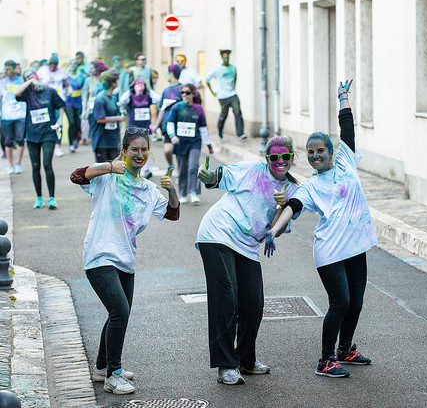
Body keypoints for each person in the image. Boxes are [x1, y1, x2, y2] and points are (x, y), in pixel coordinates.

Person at [264, 80, 377, 378]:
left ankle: (345, 350)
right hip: (329, 251)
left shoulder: (346, 162)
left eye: (319, 151)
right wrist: (274, 230)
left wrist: (343, 97)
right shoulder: (311, 186)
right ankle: (325, 360)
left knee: (357, 301)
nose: (315, 157)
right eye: (310, 153)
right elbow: (293, 207)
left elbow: (347, 129)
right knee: (340, 302)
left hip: (355, 246)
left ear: (330, 151)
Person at [69, 127, 180, 395]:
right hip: (99, 255)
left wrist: (173, 191)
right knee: (120, 311)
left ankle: (101, 366)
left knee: (118, 313)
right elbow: (75, 175)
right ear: (125, 151)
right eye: (134, 150)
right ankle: (113, 374)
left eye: (144, 150)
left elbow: (173, 214)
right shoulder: (107, 178)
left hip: (125, 259)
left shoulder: (149, 189)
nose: (139, 155)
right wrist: (108, 167)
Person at [196, 136, 299, 385]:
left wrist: (279, 210)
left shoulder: (293, 189)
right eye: (274, 157)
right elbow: (216, 178)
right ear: (267, 158)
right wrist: (206, 175)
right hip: (217, 233)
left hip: (248, 244)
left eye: (285, 157)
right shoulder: (250, 170)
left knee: (254, 303)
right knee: (226, 299)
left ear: (292, 158)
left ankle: (246, 359)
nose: (280, 161)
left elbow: (277, 228)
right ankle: (226, 365)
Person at [14, 69, 65, 209]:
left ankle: (52, 198)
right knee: (35, 166)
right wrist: (30, 81)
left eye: (32, 76)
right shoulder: (27, 93)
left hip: (48, 133)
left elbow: (61, 105)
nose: (30, 79)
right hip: (32, 135)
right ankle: (39, 198)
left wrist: (60, 119)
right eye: (26, 78)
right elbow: (15, 93)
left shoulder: (50, 91)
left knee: (47, 164)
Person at [167, 83, 213, 204]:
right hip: (180, 143)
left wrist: (209, 145)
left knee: (193, 166)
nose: (184, 95)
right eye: (182, 92)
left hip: (195, 142)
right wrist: (172, 136)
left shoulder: (199, 109)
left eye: (187, 93)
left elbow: (203, 128)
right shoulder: (176, 107)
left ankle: (193, 192)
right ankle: (182, 193)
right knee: (182, 169)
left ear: (193, 94)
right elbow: (170, 123)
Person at [119, 78, 157, 179]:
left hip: (146, 129)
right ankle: (128, 169)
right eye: (137, 84)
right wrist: (130, 89)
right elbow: (122, 100)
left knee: (145, 150)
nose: (140, 86)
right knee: (131, 150)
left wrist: (149, 89)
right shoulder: (130, 97)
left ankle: (146, 170)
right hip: (133, 130)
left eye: (142, 84)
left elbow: (158, 99)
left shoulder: (148, 96)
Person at [205, 49, 247, 140]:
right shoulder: (217, 69)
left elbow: (235, 77)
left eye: (227, 58)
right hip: (222, 96)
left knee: (237, 112)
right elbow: (207, 80)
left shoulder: (233, 68)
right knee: (224, 114)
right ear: (222, 58)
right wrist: (213, 92)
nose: (226, 59)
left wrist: (233, 88)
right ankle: (220, 129)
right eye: (224, 58)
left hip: (232, 94)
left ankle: (240, 133)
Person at [152, 64, 182, 172]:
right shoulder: (166, 91)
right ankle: (171, 165)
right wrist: (156, 126)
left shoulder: (182, 89)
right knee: (167, 151)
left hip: (179, 125)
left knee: (179, 152)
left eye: (167, 73)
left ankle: (180, 172)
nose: (166, 75)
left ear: (172, 74)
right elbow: (162, 109)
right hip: (167, 125)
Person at [37, 54, 69, 157]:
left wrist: (68, 92)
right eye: (51, 63)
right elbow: (37, 82)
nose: (53, 66)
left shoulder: (61, 71)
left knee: (59, 123)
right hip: (45, 101)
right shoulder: (42, 70)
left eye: (55, 64)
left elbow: (67, 84)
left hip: (58, 100)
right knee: (46, 122)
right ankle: (45, 144)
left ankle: (58, 147)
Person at [90, 69, 124, 163]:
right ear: (112, 83)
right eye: (117, 80)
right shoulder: (100, 99)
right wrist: (118, 118)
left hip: (113, 140)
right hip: (101, 141)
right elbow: (100, 119)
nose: (118, 82)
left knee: (115, 169)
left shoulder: (113, 98)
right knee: (103, 171)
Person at [0, 60, 26, 174]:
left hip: (20, 115)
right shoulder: (2, 82)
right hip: (7, 116)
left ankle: (18, 163)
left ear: (14, 68)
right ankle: (10, 165)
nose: (6, 70)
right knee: (8, 141)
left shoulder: (21, 81)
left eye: (8, 68)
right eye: (5, 68)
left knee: (20, 140)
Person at [81, 60, 108, 145]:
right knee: (93, 128)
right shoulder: (88, 81)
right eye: (90, 68)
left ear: (98, 68)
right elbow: (85, 97)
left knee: (104, 129)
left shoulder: (104, 79)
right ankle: (95, 147)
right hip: (91, 109)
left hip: (103, 108)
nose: (90, 70)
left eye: (92, 68)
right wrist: (84, 111)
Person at [65, 59, 86, 153]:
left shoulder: (82, 77)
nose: (73, 65)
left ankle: (76, 140)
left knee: (78, 124)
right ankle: (70, 144)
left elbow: (85, 89)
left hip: (78, 102)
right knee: (71, 122)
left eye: (75, 64)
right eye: (71, 63)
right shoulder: (65, 76)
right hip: (68, 102)